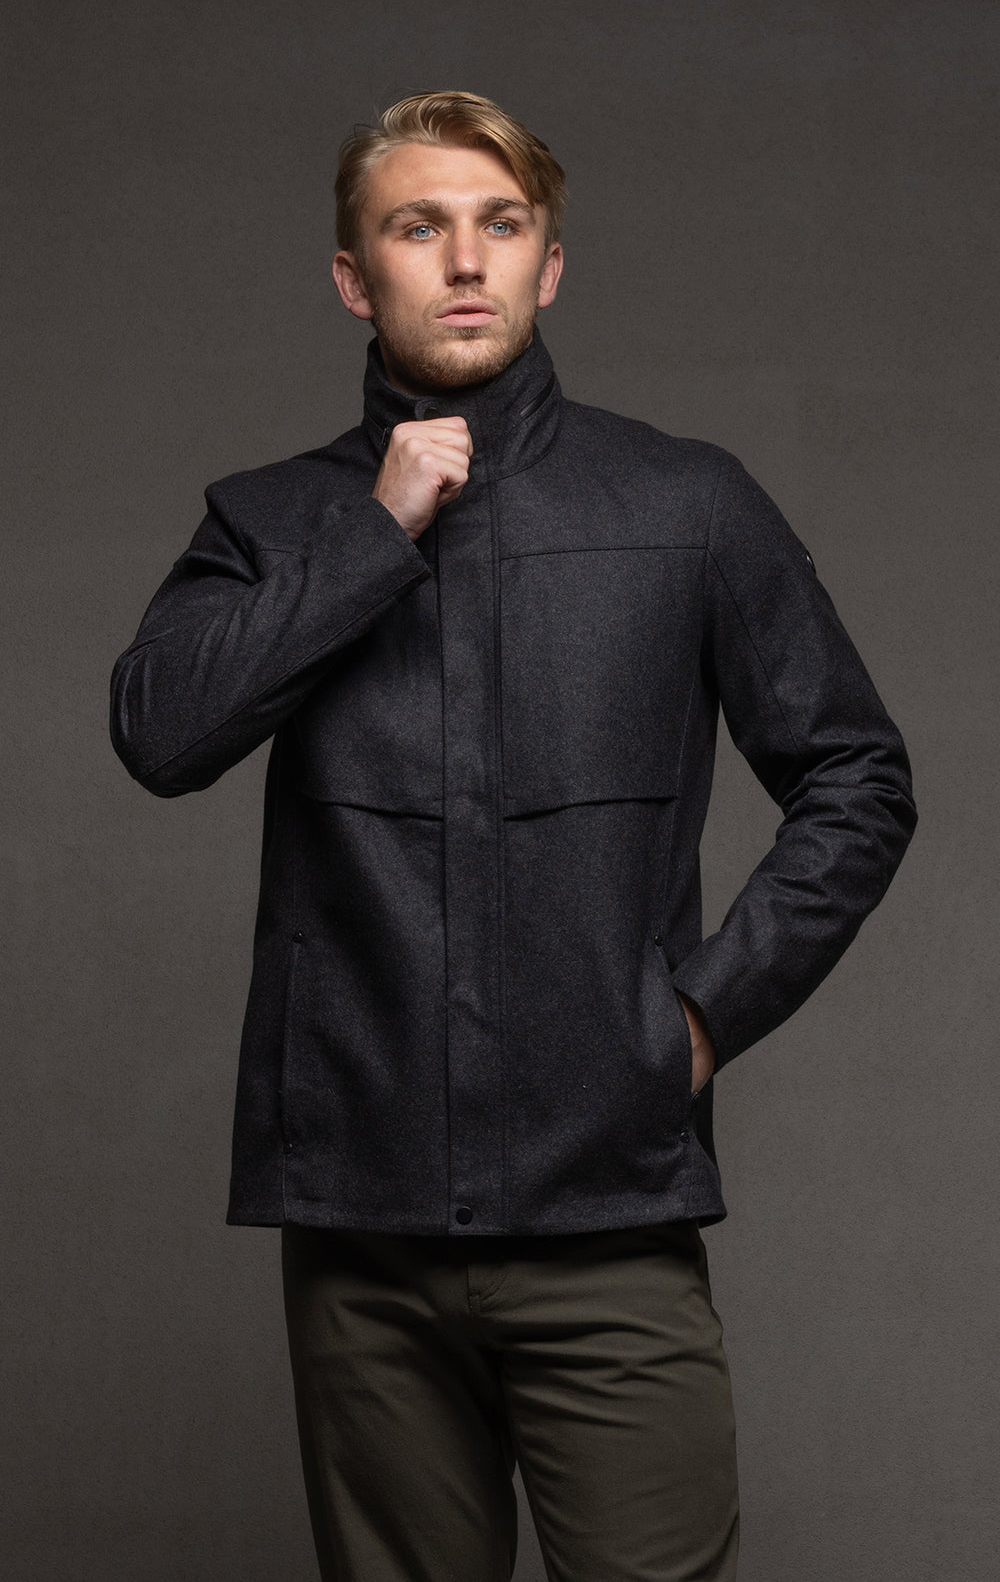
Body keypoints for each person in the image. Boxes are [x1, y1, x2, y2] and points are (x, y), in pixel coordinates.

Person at [110, 90, 917, 1582]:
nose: (466, 260)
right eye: (419, 226)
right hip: (360, 1230)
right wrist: (374, 533)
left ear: (551, 264)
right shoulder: (273, 520)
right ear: (355, 277)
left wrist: (697, 1019)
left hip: (607, 1205)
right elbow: (160, 736)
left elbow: (858, 777)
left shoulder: (688, 502)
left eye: (502, 224)